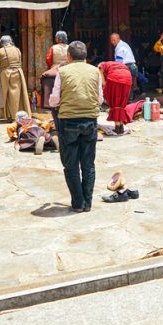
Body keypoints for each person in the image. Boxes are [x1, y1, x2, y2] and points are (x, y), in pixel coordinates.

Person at [49, 41, 104, 213]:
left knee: (71, 164)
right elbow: (100, 99)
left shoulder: (62, 71)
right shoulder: (95, 71)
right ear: (86, 56)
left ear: (69, 56)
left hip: (69, 122)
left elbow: (54, 99)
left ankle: (78, 203)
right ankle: (87, 203)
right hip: (90, 120)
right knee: (88, 164)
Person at [0, 35, 31, 121]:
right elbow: (20, 62)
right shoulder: (17, 50)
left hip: (6, 74)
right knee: (19, 95)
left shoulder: (0, 51)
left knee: (8, 95)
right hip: (18, 72)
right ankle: (20, 115)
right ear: (10, 41)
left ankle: (11, 116)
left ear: (2, 43)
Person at [99, 60, 132, 134]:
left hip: (115, 76)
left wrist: (104, 86)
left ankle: (117, 127)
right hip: (128, 77)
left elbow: (103, 82)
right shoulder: (113, 64)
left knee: (114, 101)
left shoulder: (100, 66)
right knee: (121, 102)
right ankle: (121, 125)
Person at [41, 31, 70, 111]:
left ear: (58, 39)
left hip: (55, 69)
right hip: (68, 68)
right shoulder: (69, 47)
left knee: (55, 87)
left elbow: (48, 59)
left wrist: (51, 67)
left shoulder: (53, 48)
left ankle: (52, 104)